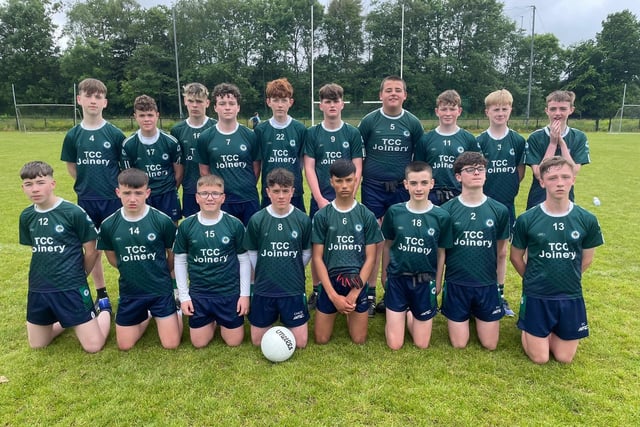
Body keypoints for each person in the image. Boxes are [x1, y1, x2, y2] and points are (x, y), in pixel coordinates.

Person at [510, 156, 603, 364]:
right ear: (542, 182)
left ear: (573, 180)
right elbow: (515, 257)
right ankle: (530, 327)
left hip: (570, 294)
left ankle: (548, 330)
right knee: (540, 358)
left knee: (564, 358)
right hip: (537, 294)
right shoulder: (527, 219)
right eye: (552, 178)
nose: (559, 183)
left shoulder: (587, 219)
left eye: (565, 177)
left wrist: (567, 277)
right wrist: (533, 279)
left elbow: (587, 259)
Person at [19, 161, 110, 353]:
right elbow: (36, 250)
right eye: (29, 184)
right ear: (23, 188)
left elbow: (93, 250)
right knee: (38, 344)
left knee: (94, 346)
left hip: (71, 288)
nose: (35, 189)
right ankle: (68, 319)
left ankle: (104, 310)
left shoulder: (72, 212)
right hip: (39, 288)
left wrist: (80, 275)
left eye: (40, 182)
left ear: (52, 184)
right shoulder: (26, 216)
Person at [358, 75, 425, 317]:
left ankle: (392, 292)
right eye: (388, 90)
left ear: (405, 95)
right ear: (381, 95)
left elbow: (418, 159)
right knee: (374, 241)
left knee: (396, 241)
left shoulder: (413, 123)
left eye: (398, 90)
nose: (393, 93)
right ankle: (369, 292)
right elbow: (359, 155)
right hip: (373, 188)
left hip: (400, 188)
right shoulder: (369, 121)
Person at [98, 168, 182, 350]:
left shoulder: (162, 221)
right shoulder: (109, 224)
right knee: (124, 345)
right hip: (131, 292)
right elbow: (113, 258)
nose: (132, 199)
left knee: (171, 344)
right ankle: (146, 315)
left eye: (138, 193)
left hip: (160, 290)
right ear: (118, 192)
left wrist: (161, 272)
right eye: (127, 193)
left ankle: (177, 311)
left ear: (147, 192)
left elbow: (172, 254)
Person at [60, 77, 125, 311]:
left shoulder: (115, 134)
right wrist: (87, 184)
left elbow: (124, 167)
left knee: (120, 248)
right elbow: (71, 166)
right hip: (86, 200)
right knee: (92, 248)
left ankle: (131, 287)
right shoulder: (73, 135)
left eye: (98, 97)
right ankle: (102, 293)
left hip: (113, 200)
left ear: (105, 102)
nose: (93, 101)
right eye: (88, 96)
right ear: (79, 99)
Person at [440, 152, 510, 350]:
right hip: (457, 284)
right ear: (458, 177)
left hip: (486, 285)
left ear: (486, 174)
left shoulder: (499, 210)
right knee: (459, 344)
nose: (476, 173)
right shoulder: (446, 210)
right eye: (470, 170)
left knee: (490, 345)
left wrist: (500, 286)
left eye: (480, 169)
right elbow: (442, 252)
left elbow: (502, 252)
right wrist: (438, 283)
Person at [303, 83, 363, 310]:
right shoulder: (312, 133)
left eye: (335, 101)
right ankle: (318, 291)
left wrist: (349, 197)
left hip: (346, 200)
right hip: (321, 199)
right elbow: (309, 166)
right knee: (319, 244)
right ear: (321, 105)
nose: (332, 105)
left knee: (346, 245)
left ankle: (351, 290)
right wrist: (319, 198)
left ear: (342, 104)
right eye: (327, 101)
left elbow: (357, 167)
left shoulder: (352, 133)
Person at [381, 161, 452, 350]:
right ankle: (396, 314)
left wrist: (438, 281)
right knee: (395, 345)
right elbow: (387, 246)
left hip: (424, 280)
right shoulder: (395, 212)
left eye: (423, 182)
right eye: (413, 183)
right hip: (397, 279)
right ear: (405, 185)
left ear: (431, 183)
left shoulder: (441, 216)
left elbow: (441, 252)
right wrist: (383, 274)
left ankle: (409, 314)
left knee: (422, 344)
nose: (418, 188)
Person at [173, 174, 250, 348]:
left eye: (215, 193)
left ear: (223, 198)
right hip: (200, 294)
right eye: (205, 193)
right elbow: (179, 261)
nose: (210, 198)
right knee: (199, 343)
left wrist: (244, 295)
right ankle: (207, 319)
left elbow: (244, 261)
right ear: (197, 197)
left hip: (228, 293)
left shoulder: (234, 224)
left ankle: (220, 319)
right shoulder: (187, 226)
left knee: (234, 342)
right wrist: (184, 297)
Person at [312, 159, 383, 345]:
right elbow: (317, 258)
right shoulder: (322, 216)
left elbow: (371, 258)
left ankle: (348, 307)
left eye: (349, 180)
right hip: (331, 283)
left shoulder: (366, 215)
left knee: (359, 339)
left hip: (356, 283)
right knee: (321, 339)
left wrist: (353, 294)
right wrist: (333, 296)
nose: (344, 185)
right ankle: (334, 305)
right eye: (339, 181)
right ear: (331, 182)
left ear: (356, 180)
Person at [244, 169, 312, 348]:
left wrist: (294, 267)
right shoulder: (257, 220)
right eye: (275, 191)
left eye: (285, 190)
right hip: (264, 289)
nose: (280, 196)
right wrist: (266, 269)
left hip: (293, 288)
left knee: (301, 343)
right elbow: (252, 253)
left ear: (292, 191)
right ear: (267, 192)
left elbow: (306, 252)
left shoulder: (303, 220)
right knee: (257, 342)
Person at [477, 88, 526, 317]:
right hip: (482, 205)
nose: (500, 112)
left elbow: (519, 172)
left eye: (504, 109)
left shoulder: (517, 140)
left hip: (506, 205)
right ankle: (478, 293)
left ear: (510, 110)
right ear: (487, 111)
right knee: (478, 249)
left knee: (501, 252)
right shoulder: (479, 141)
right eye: (496, 109)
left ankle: (499, 294)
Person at [197, 83, 260, 226]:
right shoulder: (205, 137)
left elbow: (256, 167)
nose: (227, 107)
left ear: (238, 107)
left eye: (231, 103)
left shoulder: (250, 135)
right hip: (221, 201)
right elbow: (204, 171)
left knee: (250, 244)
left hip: (248, 199)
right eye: (222, 103)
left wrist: (246, 185)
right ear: (215, 107)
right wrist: (216, 194)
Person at [121, 94, 183, 223]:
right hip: (142, 196)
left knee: (170, 234)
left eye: (150, 115)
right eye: (142, 116)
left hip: (167, 195)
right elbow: (128, 176)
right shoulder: (129, 144)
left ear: (157, 115)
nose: (146, 119)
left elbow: (179, 173)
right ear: (135, 117)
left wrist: (168, 189)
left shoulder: (171, 142)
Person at [524, 90, 590, 209]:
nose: (557, 113)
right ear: (547, 111)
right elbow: (539, 173)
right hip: (538, 199)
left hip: (565, 200)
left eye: (563, 109)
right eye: (553, 109)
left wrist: (562, 144)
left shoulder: (579, 137)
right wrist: (553, 143)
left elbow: (573, 171)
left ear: (571, 110)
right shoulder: (536, 137)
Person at [415, 89, 480, 206]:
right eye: (444, 109)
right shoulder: (425, 139)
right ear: (437, 111)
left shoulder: (468, 139)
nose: (448, 113)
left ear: (459, 111)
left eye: (452, 109)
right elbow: (419, 170)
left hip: (460, 194)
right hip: (431, 194)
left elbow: (476, 170)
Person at [254, 77, 307, 212]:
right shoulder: (260, 130)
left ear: (291, 102)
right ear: (268, 102)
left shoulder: (300, 129)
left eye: (284, 100)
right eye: (275, 100)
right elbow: (257, 162)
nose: (280, 105)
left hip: (293, 191)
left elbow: (302, 161)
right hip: (270, 191)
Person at [170, 83, 217, 218]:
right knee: (192, 227)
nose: (194, 105)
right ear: (185, 101)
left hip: (213, 189)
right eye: (191, 101)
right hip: (190, 189)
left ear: (207, 103)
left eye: (199, 101)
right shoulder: (177, 130)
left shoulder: (215, 127)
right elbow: (176, 164)